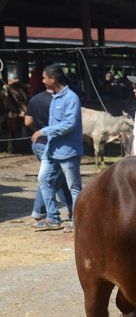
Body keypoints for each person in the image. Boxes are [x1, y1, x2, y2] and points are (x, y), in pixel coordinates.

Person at [30, 64, 83, 232]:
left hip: (68, 151)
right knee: (43, 179)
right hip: (51, 150)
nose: (43, 81)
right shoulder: (55, 97)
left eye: (44, 78)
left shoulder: (71, 98)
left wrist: (43, 131)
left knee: (74, 187)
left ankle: (77, 221)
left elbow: (69, 124)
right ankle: (53, 218)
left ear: (53, 79)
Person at [25, 86, 71, 225]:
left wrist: (37, 131)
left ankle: (70, 209)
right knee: (49, 178)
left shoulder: (35, 99)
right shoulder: (64, 100)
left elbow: (27, 122)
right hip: (54, 144)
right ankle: (40, 211)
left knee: (57, 176)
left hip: (38, 143)